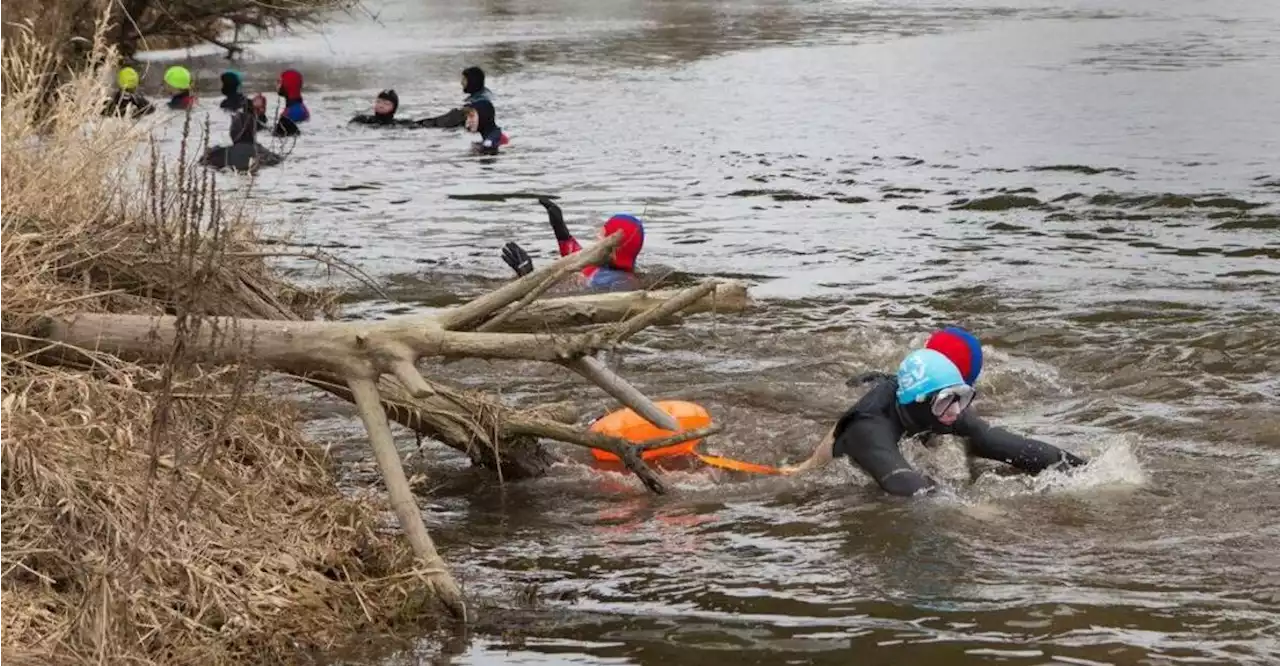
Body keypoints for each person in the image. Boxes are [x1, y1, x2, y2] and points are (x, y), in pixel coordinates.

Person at [783, 327, 1087, 497]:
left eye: (963, 397)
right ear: (920, 399)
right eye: (947, 401)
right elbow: (906, 484)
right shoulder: (869, 428)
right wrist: (976, 508)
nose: (956, 412)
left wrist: (1083, 470)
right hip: (817, 476)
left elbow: (1007, 444)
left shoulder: (940, 404)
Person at [500, 197, 645, 292]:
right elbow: (580, 259)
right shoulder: (605, 269)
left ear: (612, 248)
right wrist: (561, 231)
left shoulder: (617, 283)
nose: (596, 236)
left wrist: (528, 277)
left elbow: (555, 297)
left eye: (602, 236)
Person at [200, 98, 283, 172]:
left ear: (233, 130)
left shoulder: (217, 153)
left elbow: (202, 163)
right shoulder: (265, 153)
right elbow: (278, 161)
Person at [418, 66, 494, 128]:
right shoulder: (485, 93)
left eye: (464, 79)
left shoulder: (477, 101)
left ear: (472, 81)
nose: (461, 83)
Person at [349, 89, 422, 127]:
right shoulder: (361, 120)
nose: (381, 105)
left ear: (394, 108)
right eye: (378, 102)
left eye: (386, 103)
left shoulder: (400, 124)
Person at [273, 69, 309, 136]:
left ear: (287, 85)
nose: (276, 84)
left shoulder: (290, 114)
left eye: (279, 82)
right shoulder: (300, 108)